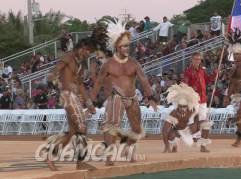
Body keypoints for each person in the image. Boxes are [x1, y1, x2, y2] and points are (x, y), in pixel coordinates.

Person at [90, 20, 157, 165]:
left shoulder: (133, 62)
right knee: (111, 126)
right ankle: (109, 157)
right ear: (117, 47)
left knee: (138, 129)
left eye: (128, 45)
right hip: (116, 97)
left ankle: (128, 148)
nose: (127, 48)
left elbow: (144, 80)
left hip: (132, 98)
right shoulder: (108, 65)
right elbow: (98, 83)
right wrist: (91, 102)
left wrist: (151, 96)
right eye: (124, 46)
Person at [44, 36, 102, 171]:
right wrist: (53, 77)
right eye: (88, 50)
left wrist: (89, 103)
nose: (89, 53)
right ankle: (80, 162)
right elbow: (56, 69)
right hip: (67, 95)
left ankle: (50, 156)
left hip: (74, 96)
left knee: (73, 132)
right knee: (82, 127)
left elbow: (80, 85)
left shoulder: (81, 64)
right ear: (81, 48)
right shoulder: (68, 57)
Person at [162, 83, 211, 153]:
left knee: (206, 123)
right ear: (178, 106)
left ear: (187, 106)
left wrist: (196, 130)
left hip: (189, 130)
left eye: (184, 106)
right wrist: (166, 146)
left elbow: (198, 120)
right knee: (171, 134)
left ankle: (203, 146)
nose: (182, 108)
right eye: (180, 106)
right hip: (177, 133)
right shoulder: (173, 114)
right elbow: (165, 131)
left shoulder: (192, 110)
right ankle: (174, 146)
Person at [183, 52, 215, 152]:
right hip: (193, 99)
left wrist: (215, 74)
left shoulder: (202, 71)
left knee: (203, 120)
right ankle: (193, 136)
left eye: (199, 59)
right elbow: (184, 85)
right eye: (196, 59)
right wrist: (191, 88)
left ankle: (202, 143)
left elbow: (208, 80)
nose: (197, 61)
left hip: (203, 99)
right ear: (191, 60)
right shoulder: (188, 72)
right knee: (193, 119)